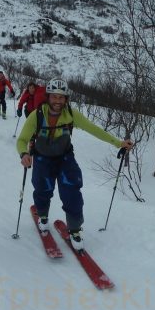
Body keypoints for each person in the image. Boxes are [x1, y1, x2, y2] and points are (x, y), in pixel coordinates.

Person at [16, 78, 133, 250]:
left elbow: (93, 129)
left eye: (61, 97)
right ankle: (42, 215)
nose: (57, 101)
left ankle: (75, 229)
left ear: (66, 99)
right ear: (48, 97)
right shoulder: (37, 114)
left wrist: (118, 143)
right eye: (54, 97)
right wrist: (24, 153)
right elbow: (22, 140)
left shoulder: (71, 114)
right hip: (42, 157)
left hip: (65, 157)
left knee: (72, 190)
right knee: (42, 188)